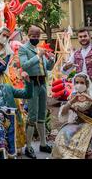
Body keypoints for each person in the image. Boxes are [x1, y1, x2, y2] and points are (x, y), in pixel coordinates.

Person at [18, 26, 55, 159]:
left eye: (37, 36)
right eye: (32, 36)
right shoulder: (23, 49)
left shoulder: (38, 48)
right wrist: (38, 56)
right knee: (32, 115)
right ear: (28, 35)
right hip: (32, 84)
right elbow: (24, 65)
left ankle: (43, 144)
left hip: (42, 83)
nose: (35, 38)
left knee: (42, 114)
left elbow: (47, 68)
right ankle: (28, 146)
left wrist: (51, 59)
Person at [62, 29, 92, 103]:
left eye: (85, 36)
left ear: (89, 37)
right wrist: (66, 67)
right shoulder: (76, 53)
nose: (83, 38)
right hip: (81, 90)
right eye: (80, 37)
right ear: (78, 38)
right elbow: (64, 72)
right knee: (82, 110)